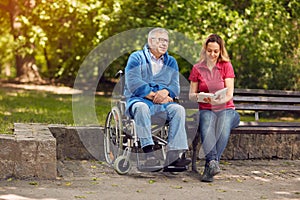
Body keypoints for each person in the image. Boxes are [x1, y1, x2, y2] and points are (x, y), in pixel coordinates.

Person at [124, 27, 191, 170]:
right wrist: (156, 96)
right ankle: (149, 155)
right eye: (160, 40)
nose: (164, 44)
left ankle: (173, 157)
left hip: (164, 104)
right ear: (150, 41)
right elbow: (133, 83)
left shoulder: (171, 62)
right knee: (141, 108)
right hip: (140, 100)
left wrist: (166, 92)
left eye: (166, 41)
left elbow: (175, 87)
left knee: (178, 110)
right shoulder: (136, 57)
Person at [188, 34, 240, 182]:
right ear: (205, 50)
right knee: (206, 121)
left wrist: (218, 101)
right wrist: (200, 96)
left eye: (215, 51)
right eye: (209, 51)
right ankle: (212, 165)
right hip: (206, 109)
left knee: (223, 123)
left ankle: (210, 163)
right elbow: (192, 94)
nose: (212, 54)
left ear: (220, 51)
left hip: (227, 110)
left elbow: (229, 93)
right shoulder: (197, 68)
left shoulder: (226, 66)